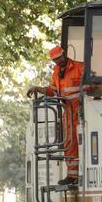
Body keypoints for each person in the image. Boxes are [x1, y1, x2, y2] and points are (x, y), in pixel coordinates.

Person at [27, 44, 84, 185]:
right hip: (68, 113)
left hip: (82, 111)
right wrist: (38, 89)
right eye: (56, 60)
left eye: (59, 58)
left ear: (64, 54)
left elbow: (90, 85)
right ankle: (72, 176)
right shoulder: (56, 72)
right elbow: (52, 91)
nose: (58, 61)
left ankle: (78, 174)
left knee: (82, 143)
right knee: (69, 144)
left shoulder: (79, 67)